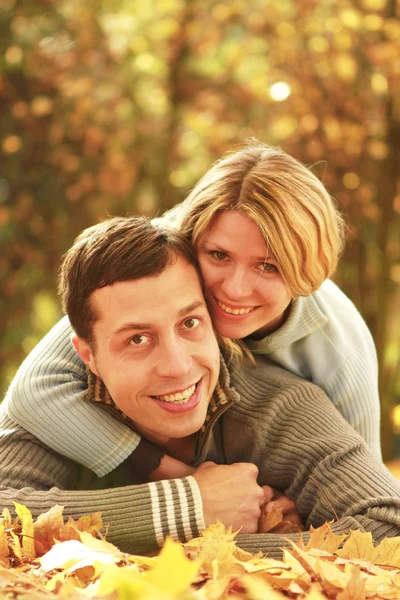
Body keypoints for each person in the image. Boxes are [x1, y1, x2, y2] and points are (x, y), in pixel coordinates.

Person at [1, 216, 400, 558]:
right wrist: (187, 510)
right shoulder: (60, 415)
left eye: (189, 323)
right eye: (137, 339)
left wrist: (222, 546)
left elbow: (389, 524)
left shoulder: (280, 407)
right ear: (88, 356)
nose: (177, 367)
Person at [5, 142, 380, 483]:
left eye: (268, 266)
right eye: (218, 255)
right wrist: (179, 479)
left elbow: (364, 482)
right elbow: (33, 390)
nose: (234, 288)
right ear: (191, 238)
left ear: (307, 269)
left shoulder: (341, 350)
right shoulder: (162, 257)